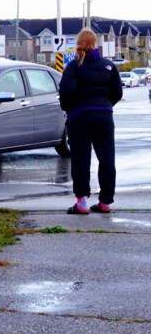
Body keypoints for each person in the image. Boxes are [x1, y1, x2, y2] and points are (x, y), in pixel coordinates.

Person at [58, 28, 122, 214]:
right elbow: (117, 92)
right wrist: (105, 105)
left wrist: (69, 109)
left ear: (78, 43)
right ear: (95, 44)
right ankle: (105, 202)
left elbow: (66, 92)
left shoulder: (73, 66)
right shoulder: (108, 66)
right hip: (104, 117)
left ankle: (82, 203)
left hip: (79, 118)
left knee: (81, 159)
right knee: (107, 158)